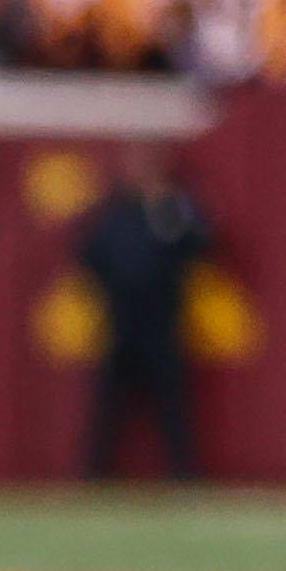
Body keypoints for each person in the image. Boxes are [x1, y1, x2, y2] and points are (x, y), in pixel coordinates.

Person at [73, 145, 214, 479]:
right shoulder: (116, 208)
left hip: (162, 322)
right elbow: (89, 253)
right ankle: (94, 478)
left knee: (172, 408)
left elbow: (198, 243)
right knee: (108, 409)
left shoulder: (174, 205)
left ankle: (184, 477)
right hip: (121, 321)